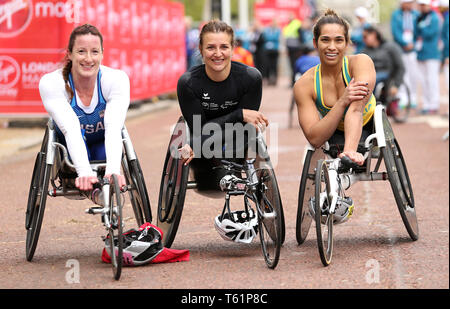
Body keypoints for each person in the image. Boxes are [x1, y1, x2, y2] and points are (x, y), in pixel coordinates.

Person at [293, 9, 376, 223]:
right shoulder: (305, 83)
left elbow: (356, 110)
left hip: (366, 123)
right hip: (332, 129)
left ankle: (347, 159)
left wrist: (350, 150)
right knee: (329, 149)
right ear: (315, 42)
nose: (332, 47)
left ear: (347, 42)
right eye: (325, 40)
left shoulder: (361, 63)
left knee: (350, 130)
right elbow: (314, 138)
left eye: (339, 40)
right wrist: (341, 101)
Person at [39, 24, 128, 204]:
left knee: (108, 150)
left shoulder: (116, 80)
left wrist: (113, 170)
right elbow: (71, 129)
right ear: (69, 53)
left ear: (102, 54)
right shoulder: (52, 83)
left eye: (94, 52)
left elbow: (113, 126)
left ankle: (103, 194)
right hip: (69, 146)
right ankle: (95, 193)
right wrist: (84, 171)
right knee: (75, 154)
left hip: (101, 142)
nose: (88, 59)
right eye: (81, 51)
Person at [177, 19, 268, 167]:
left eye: (224, 47)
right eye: (211, 47)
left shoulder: (251, 78)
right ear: (200, 49)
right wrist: (238, 114)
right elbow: (202, 131)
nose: (218, 54)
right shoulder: (188, 83)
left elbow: (243, 129)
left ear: (233, 48)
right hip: (202, 144)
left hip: (237, 141)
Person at [391, 0, 421, 108]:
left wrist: (413, 43)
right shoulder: (396, 15)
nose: (410, 5)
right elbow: (395, 31)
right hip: (401, 49)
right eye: (407, 3)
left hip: (413, 49)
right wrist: (404, 43)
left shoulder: (416, 14)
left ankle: (413, 97)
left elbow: (419, 30)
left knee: (413, 74)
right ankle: (403, 97)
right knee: (403, 73)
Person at [362, 26, 405, 99]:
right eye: (363, 37)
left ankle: (370, 100)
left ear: (374, 34)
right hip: (371, 75)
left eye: (365, 36)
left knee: (373, 78)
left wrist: (396, 85)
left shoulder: (390, 47)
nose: (364, 40)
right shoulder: (365, 51)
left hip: (387, 75)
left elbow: (400, 67)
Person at [415, 0, 442, 114]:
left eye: (423, 5)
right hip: (421, 53)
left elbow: (430, 33)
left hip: (432, 53)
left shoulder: (434, 17)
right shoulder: (420, 17)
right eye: (420, 5)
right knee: (423, 80)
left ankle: (434, 104)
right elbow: (415, 34)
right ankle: (426, 104)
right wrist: (420, 26)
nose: (422, 7)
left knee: (432, 79)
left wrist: (421, 27)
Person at [262, 20, 281, 85]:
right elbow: (265, 37)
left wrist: (270, 37)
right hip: (267, 50)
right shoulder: (267, 30)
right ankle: (268, 79)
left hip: (275, 50)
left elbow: (276, 37)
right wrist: (271, 37)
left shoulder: (278, 30)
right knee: (267, 65)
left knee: (274, 65)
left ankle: (274, 80)